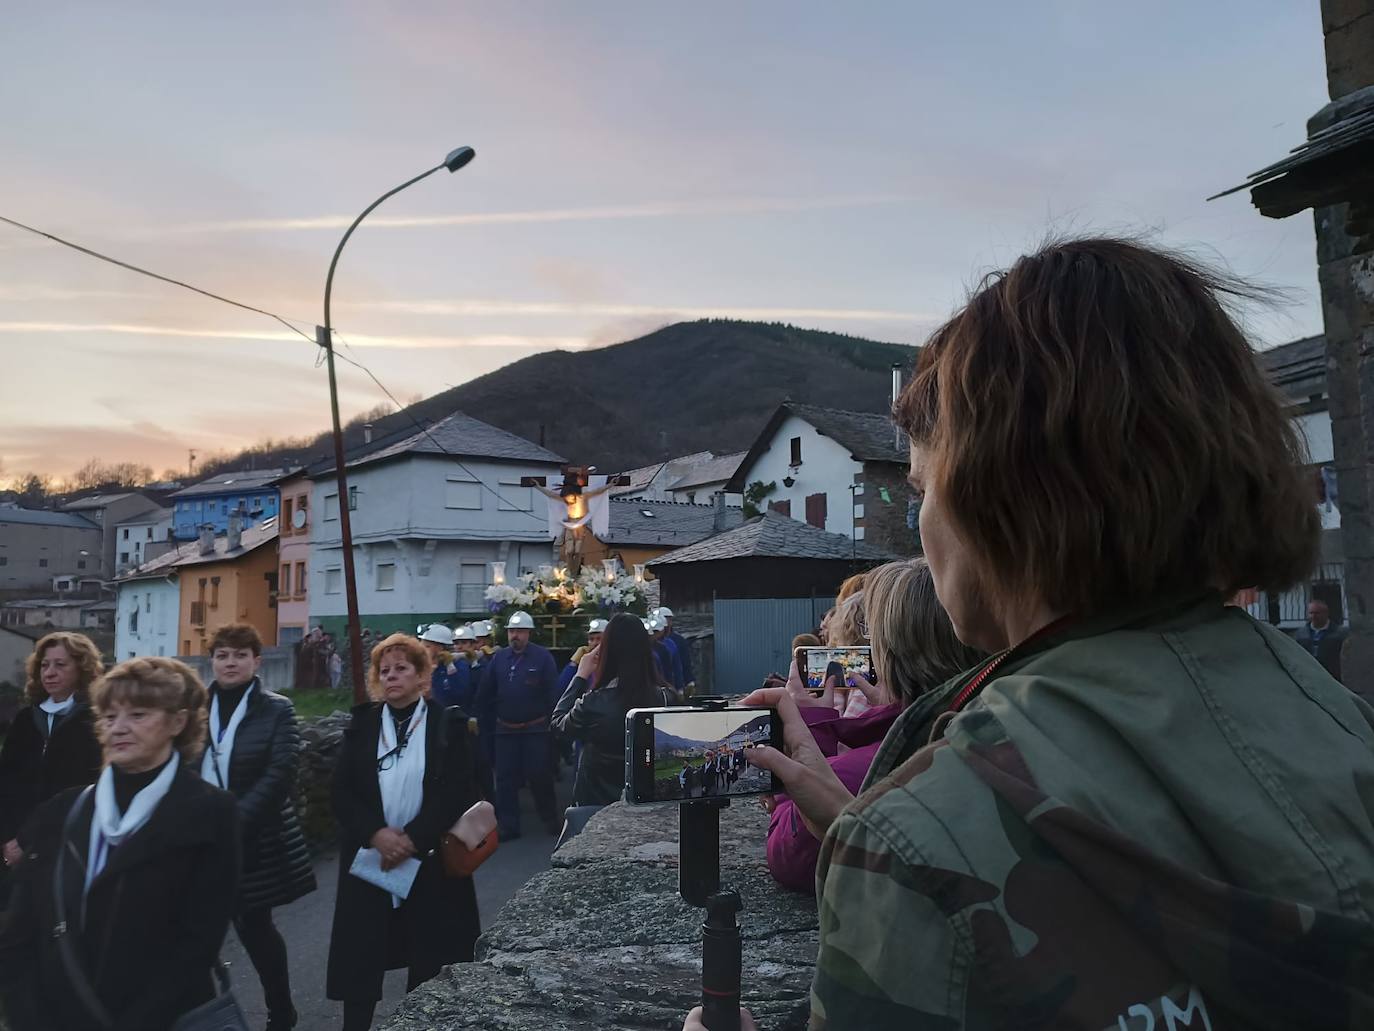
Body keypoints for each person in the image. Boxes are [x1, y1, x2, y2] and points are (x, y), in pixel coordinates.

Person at [696, 237, 1374, 1030]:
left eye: (923, 487)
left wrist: (884, 845)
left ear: (996, 495)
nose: (922, 525)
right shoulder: (1336, 717)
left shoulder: (916, 842)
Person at [0, 656, 240, 1031]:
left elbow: (199, 942)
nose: (120, 728)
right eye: (109, 717)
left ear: (178, 722)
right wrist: (26, 1015)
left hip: (158, 1018)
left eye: (138, 715)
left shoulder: (211, 813)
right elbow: (20, 931)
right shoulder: (63, 811)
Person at [764, 559, 983, 893]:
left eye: (871, 639)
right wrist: (891, 714)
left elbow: (791, 858)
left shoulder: (868, 769)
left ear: (888, 656)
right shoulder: (987, 729)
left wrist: (809, 741)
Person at [326, 633, 482, 1031]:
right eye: (385, 670)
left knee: (428, 957)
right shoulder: (362, 726)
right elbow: (341, 792)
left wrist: (413, 839)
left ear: (420, 675)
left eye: (401, 669)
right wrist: (377, 834)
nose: (392, 676)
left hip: (427, 861)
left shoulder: (447, 724)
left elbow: (459, 791)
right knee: (362, 959)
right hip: (371, 860)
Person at [202, 623, 316, 1031]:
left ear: (256, 661)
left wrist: (235, 823)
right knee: (196, 935)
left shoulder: (277, 708)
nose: (230, 663)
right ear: (211, 661)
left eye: (239, 655)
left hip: (251, 841)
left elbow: (280, 771)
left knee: (255, 930)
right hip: (201, 842)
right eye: (222, 655)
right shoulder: (194, 707)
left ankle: (280, 1012)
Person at [0, 632, 104, 897]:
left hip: (66, 842)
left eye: (61, 664)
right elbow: (6, 781)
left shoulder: (93, 722)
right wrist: (10, 838)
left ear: (81, 669)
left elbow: (87, 790)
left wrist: (32, 840)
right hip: (13, 844)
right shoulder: (26, 719)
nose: (50, 672)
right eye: (45, 665)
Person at [552, 613, 668, 807]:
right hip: (648, 798)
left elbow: (558, 724)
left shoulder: (594, 702)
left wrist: (580, 674)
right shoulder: (665, 698)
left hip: (597, 801)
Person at [475, 611, 560, 839]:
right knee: (504, 779)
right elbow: (486, 691)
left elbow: (553, 693)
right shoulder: (499, 658)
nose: (515, 636)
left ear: (529, 633)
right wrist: (482, 719)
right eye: (512, 631)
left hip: (535, 729)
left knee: (539, 775)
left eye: (520, 631)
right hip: (506, 730)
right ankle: (509, 825)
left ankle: (551, 819)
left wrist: (553, 725)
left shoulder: (543, 658)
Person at [1293, 599, 1348, 682]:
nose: (1313, 616)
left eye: (1317, 613)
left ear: (1326, 614)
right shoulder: (1300, 634)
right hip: (1309, 675)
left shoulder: (1340, 633)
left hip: (1332, 676)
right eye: (1311, 613)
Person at [418, 624, 469, 710]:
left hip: (450, 717)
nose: (422, 650)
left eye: (427, 646)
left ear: (440, 648)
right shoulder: (420, 667)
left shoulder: (458, 665)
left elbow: (459, 694)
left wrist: (450, 669)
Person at [655, 607, 696, 694]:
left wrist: (688, 682)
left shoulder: (676, 641)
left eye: (669, 619)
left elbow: (683, 663)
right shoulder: (650, 643)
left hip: (672, 683)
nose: (667, 622)